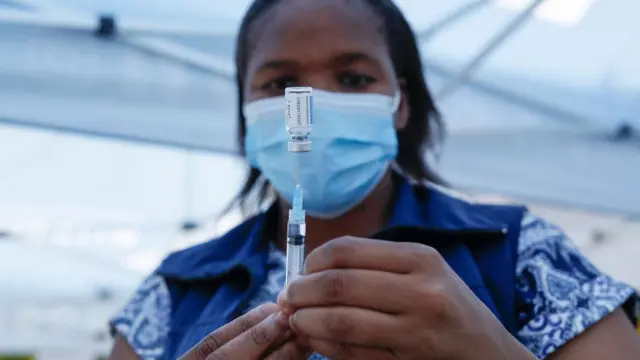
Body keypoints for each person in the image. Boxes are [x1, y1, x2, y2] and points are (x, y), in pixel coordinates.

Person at [108, 0, 640, 359]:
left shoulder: (522, 253)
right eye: (282, 82)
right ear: (246, 109)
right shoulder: (176, 288)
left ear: (400, 103)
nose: (313, 104)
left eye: (354, 78)